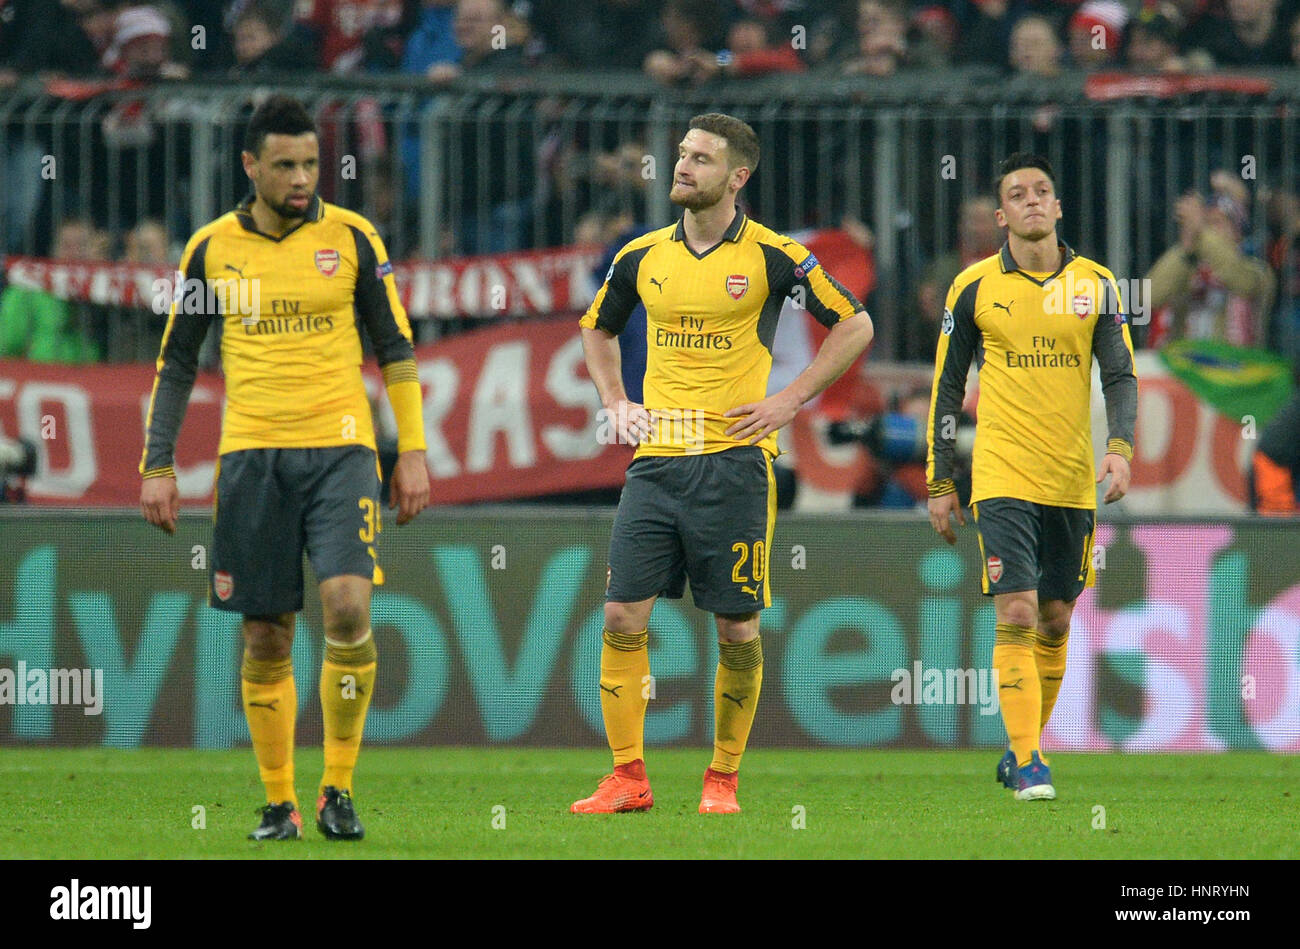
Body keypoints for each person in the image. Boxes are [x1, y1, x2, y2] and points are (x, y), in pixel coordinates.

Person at [138, 95, 430, 841]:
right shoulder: (209, 249)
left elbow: (395, 348)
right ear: (251, 165)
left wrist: (415, 452)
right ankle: (279, 802)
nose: (303, 178)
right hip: (249, 457)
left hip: (341, 450)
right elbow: (176, 361)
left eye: (311, 163)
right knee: (266, 632)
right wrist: (158, 462)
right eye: (286, 165)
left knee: (345, 606)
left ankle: (337, 787)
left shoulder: (353, 236)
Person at [575, 113, 874, 814]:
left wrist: (791, 398)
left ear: (737, 176)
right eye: (681, 154)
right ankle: (627, 777)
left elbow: (854, 323)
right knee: (622, 613)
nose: (682, 167)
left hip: (736, 463)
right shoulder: (641, 255)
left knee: (736, 627)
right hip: (656, 463)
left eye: (700, 159)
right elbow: (596, 327)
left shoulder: (775, 257)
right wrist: (616, 400)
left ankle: (722, 780)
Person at [926, 153, 1137, 801]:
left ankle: (1023, 747)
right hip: (1002, 472)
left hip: (1072, 477)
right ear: (1000, 216)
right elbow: (947, 385)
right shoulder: (973, 287)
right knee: (1015, 609)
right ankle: (1030, 762)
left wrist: (1122, 447)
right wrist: (941, 479)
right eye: (1018, 194)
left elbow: (1120, 374)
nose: (1032, 201)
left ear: (1059, 205)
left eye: (1043, 191)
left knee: (1054, 617)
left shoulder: (1097, 283)